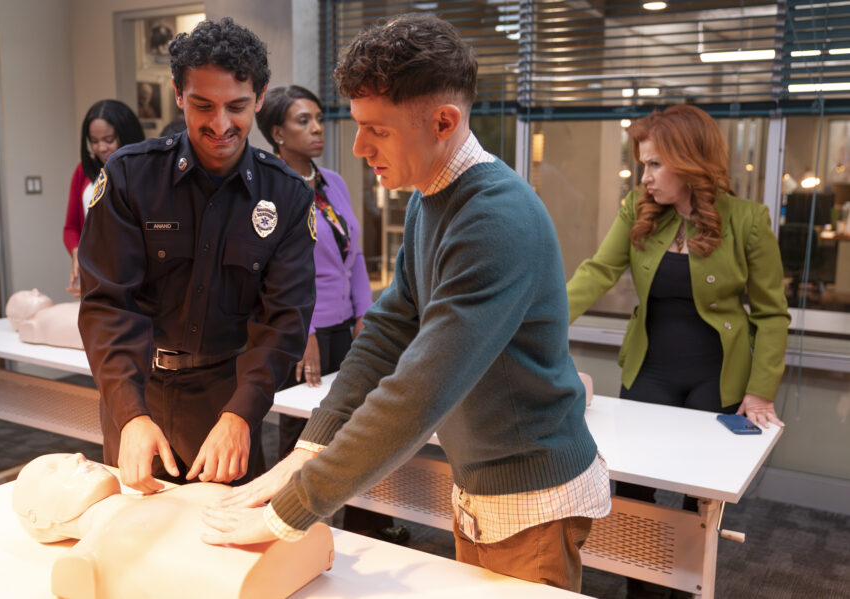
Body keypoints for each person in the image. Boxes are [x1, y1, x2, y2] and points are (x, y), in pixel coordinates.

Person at [202, 14, 610, 592]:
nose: (361, 146)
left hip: (530, 495)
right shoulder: (430, 195)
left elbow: (421, 387)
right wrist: (309, 448)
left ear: (443, 121)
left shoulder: (495, 217)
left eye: (379, 130)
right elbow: (391, 331)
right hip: (484, 483)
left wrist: (292, 509)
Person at [77, 18, 316, 495]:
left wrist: (242, 411)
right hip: (137, 386)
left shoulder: (286, 195)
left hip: (225, 396)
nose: (221, 124)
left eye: (238, 106)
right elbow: (108, 306)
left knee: (223, 543)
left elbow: (283, 321)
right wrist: (129, 414)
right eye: (203, 105)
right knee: (132, 537)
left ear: (261, 97)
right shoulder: (130, 177)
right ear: (178, 93)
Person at [566, 104, 789, 598]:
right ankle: (641, 590)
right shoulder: (637, 210)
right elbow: (597, 272)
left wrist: (759, 393)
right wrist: (538, 326)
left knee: (698, 499)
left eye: (654, 165)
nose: (643, 177)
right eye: (642, 164)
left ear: (691, 164)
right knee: (632, 492)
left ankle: (688, 587)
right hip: (650, 371)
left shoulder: (747, 221)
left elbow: (772, 314)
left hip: (716, 376)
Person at [256, 85, 407, 544]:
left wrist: (367, 315)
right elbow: (269, 273)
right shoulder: (268, 190)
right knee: (301, 433)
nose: (317, 128)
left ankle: (367, 524)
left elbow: (355, 256)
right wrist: (303, 332)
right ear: (277, 133)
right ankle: (292, 532)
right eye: (304, 121)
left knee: (356, 430)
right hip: (302, 332)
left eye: (319, 118)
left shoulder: (333, 183)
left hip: (347, 327)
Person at [12, 453, 334, 599]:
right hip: (261, 580)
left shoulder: (179, 492)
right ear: (38, 520)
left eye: (69, 455)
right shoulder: (83, 558)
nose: (79, 457)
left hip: (301, 544)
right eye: (53, 470)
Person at [63, 99, 144, 298]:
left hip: (136, 276)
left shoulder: (145, 171)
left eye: (109, 140)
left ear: (126, 136)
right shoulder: (83, 171)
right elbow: (71, 228)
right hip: (95, 274)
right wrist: (76, 252)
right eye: (94, 141)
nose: (101, 148)